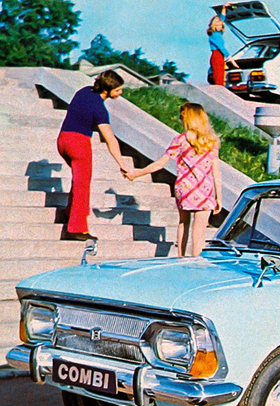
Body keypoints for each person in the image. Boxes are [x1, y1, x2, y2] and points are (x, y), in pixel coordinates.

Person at [126, 103, 223, 256]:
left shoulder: (180, 140)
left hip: (185, 188)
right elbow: (216, 172)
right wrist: (219, 197)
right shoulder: (211, 142)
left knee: (183, 222)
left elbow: (160, 164)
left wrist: (137, 173)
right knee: (200, 229)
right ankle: (196, 259)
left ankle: (181, 256)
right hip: (205, 189)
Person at [57, 70, 130, 241]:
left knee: (78, 179)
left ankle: (69, 214)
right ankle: (77, 229)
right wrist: (122, 163)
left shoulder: (83, 91)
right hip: (79, 143)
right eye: (118, 90)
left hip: (62, 140)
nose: (120, 92)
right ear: (107, 90)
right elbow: (110, 139)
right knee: (82, 184)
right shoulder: (100, 109)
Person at [207, 2, 238, 86]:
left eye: (221, 25)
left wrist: (224, 8)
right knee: (219, 79)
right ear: (214, 25)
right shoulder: (215, 35)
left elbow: (222, 19)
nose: (220, 27)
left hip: (219, 56)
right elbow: (222, 47)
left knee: (221, 78)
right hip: (217, 56)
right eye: (218, 25)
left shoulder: (217, 33)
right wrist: (231, 59)